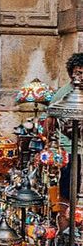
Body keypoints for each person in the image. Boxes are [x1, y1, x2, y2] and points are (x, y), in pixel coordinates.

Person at [46, 52, 83, 202]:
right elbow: (49, 122)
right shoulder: (63, 95)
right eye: (79, 73)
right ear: (71, 74)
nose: (82, 77)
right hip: (69, 151)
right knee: (67, 194)